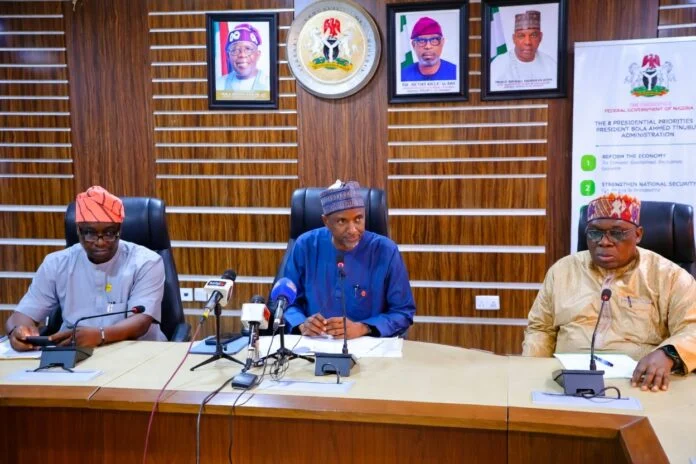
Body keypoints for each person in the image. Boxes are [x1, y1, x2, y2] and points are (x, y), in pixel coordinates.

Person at [522, 193, 696, 392]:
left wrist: (669, 353)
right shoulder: (563, 271)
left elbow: (692, 328)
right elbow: (540, 329)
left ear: (638, 234)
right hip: (566, 381)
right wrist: (532, 372)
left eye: (617, 233)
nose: (604, 242)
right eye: (594, 233)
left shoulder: (669, 276)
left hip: (641, 383)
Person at [5, 186, 167, 351]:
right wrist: (18, 332)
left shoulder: (146, 262)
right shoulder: (56, 263)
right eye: (90, 233)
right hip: (74, 353)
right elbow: (22, 315)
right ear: (78, 230)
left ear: (120, 230)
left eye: (109, 233)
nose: (100, 242)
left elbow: (141, 321)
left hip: (137, 352)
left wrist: (100, 335)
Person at [281, 180, 416, 339]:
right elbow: (286, 301)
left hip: (368, 345)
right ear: (326, 222)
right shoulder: (306, 245)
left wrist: (363, 328)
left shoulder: (386, 251)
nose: (352, 230)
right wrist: (301, 323)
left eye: (358, 219)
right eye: (342, 221)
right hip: (314, 344)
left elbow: (403, 311)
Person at [489, 10, 557, 90]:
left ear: (540, 37)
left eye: (533, 35)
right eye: (521, 36)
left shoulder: (550, 65)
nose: (528, 42)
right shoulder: (498, 65)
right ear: (514, 39)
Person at [215, 23, 269, 92]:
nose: (242, 55)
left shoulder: (270, 84)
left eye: (248, 49)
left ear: (257, 55)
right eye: (235, 50)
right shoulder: (218, 85)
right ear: (228, 56)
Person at [401, 17, 457, 82]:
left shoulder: (456, 72)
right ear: (413, 45)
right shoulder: (402, 75)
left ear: (442, 43)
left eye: (434, 40)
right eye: (421, 41)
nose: (428, 46)